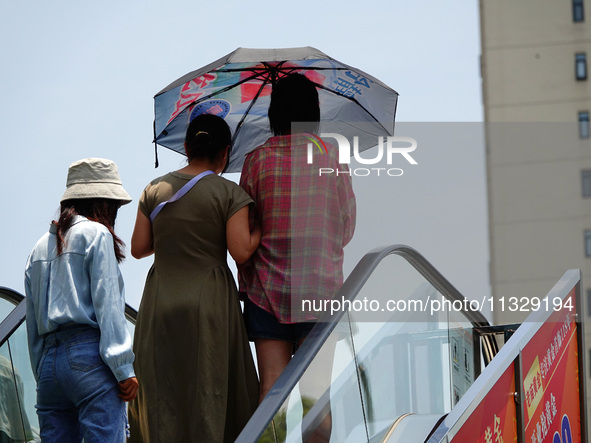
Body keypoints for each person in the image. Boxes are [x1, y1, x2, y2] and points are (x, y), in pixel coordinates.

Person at [128, 113, 260, 442]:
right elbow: (241, 251)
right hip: (210, 303)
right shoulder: (229, 193)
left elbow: (139, 248)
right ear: (225, 151)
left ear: (186, 147)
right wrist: (259, 231)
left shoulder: (154, 190)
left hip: (160, 302)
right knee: (209, 390)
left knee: (163, 392)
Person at [238, 73, 356, 437]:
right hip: (320, 291)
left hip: (266, 292)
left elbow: (245, 230)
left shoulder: (256, 160)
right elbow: (347, 227)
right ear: (313, 112)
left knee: (270, 390)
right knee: (315, 395)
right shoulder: (331, 156)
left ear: (274, 113)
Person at [25, 157, 138, 442]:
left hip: (49, 365)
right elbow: (108, 304)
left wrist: (44, 374)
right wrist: (123, 368)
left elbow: (33, 325)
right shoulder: (96, 234)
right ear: (103, 202)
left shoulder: (38, 249)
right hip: (90, 357)